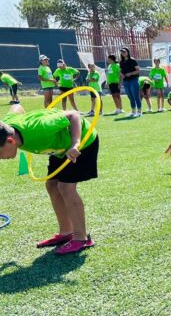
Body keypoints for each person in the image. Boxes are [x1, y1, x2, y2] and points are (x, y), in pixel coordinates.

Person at [0, 104, 99, 255]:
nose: (0, 158)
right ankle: (66, 232)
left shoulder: (40, 129)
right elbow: (17, 106)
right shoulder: (7, 125)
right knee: (52, 185)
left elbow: (73, 115)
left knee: (66, 187)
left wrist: (75, 144)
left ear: (10, 141)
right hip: (59, 146)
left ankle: (82, 239)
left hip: (82, 142)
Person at [119, 47, 141, 117]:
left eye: (124, 52)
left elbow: (138, 70)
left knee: (136, 96)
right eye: (122, 52)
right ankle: (133, 111)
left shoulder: (132, 60)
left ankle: (139, 112)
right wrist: (121, 75)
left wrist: (130, 73)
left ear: (128, 52)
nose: (123, 53)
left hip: (133, 80)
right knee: (130, 97)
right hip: (125, 82)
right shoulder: (121, 62)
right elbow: (120, 71)